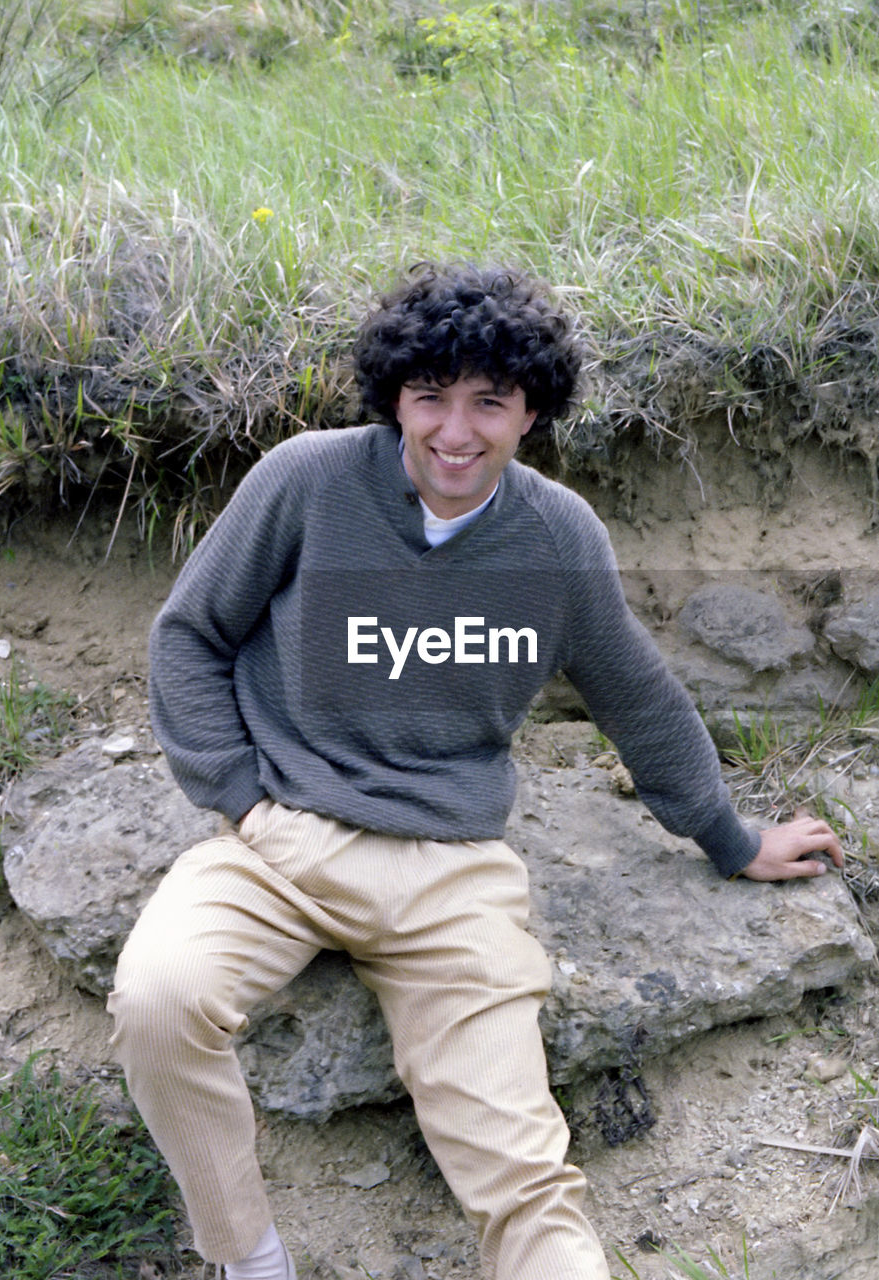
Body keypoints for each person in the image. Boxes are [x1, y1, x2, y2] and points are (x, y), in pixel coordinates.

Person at [108, 263, 844, 1280]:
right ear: (394, 399)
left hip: (452, 871)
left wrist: (730, 835)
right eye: (430, 398)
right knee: (158, 993)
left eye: (488, 402)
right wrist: (238, 793)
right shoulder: (308, 480)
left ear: (529, 410)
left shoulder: (557, 536)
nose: (456, 431)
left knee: (523, 1173)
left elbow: (635, 693)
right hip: (278, 846)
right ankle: (249, 1256)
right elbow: (189, 635)